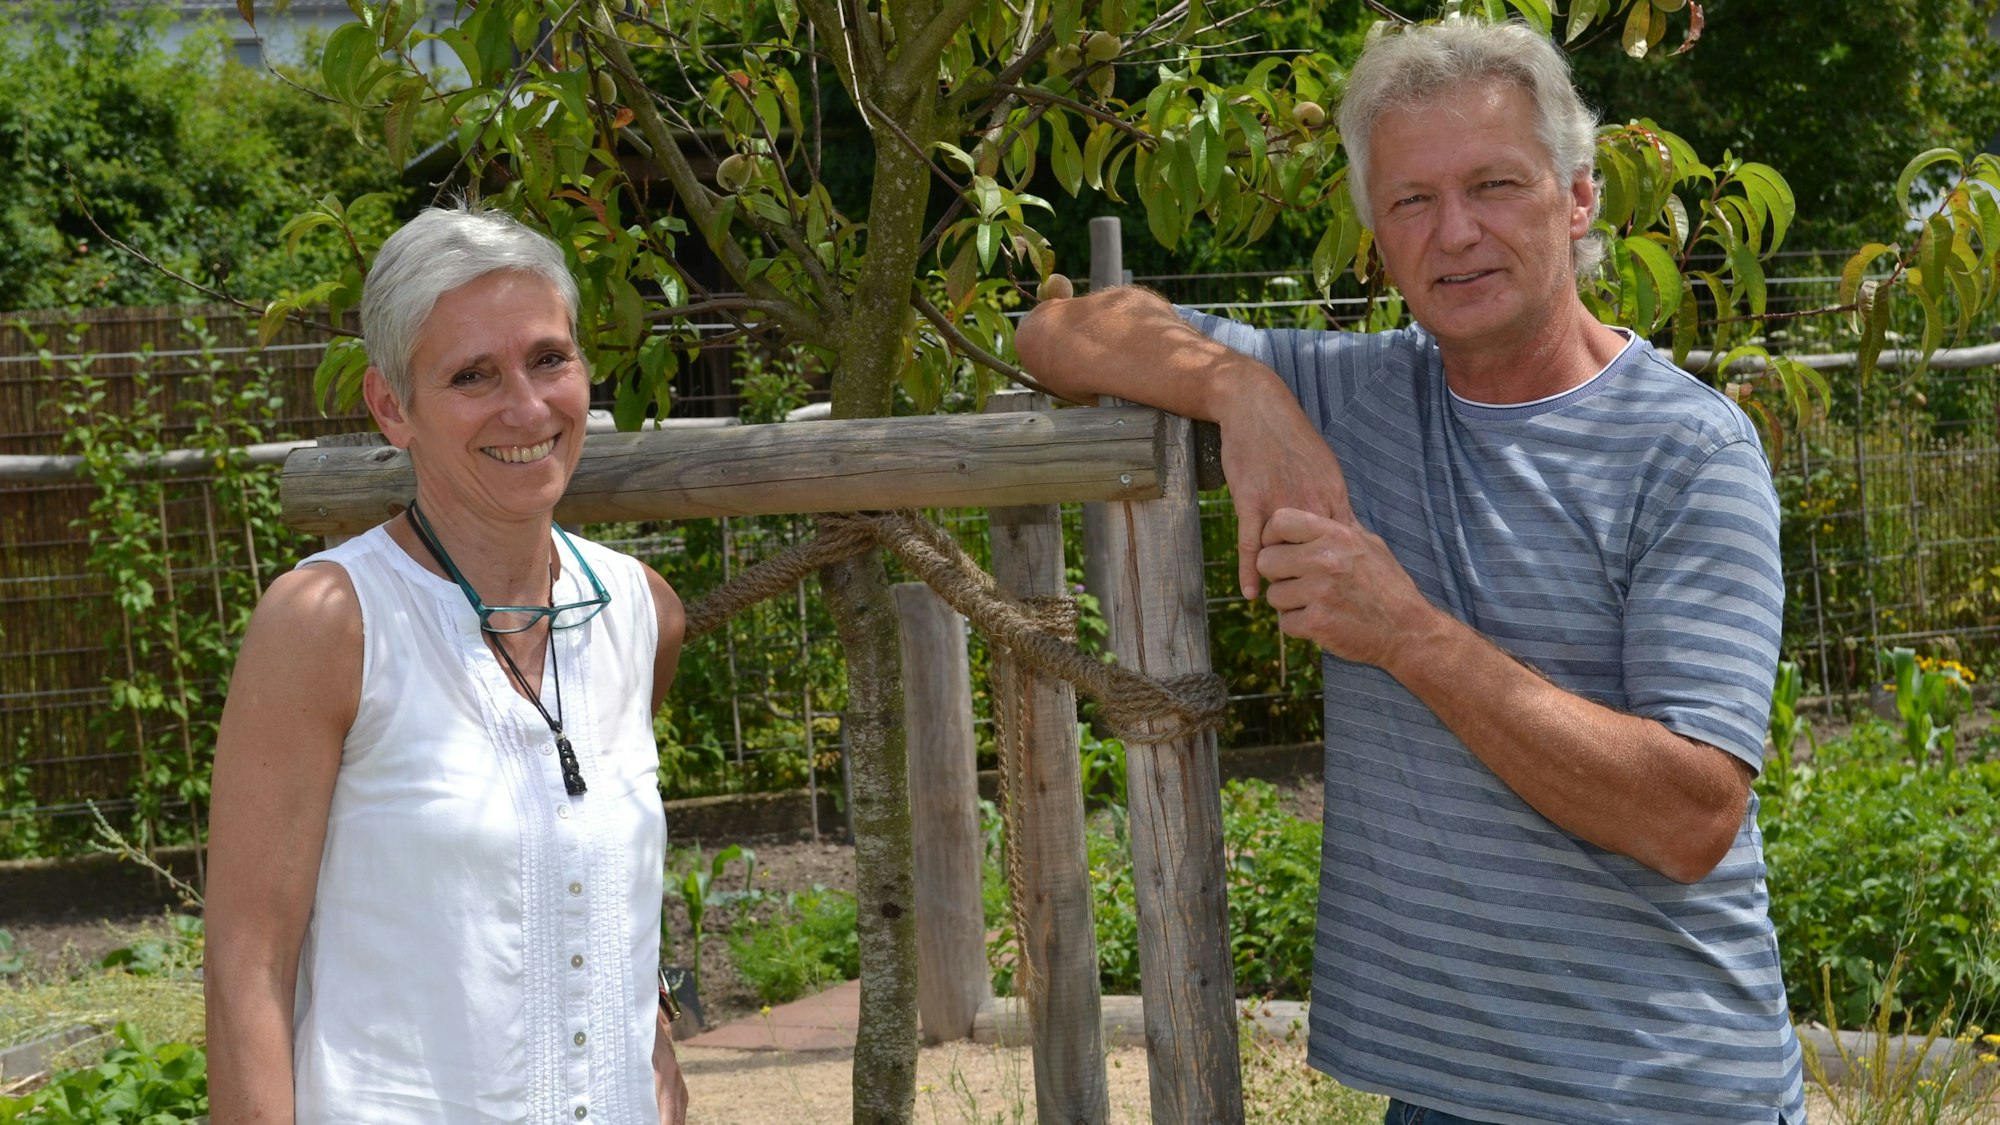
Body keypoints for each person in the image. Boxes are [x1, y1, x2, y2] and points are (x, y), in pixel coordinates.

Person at [1017, 17, 1804, 1125]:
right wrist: (1243, 394)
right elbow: (1060, 326)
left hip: (1657, 1094)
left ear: (1576, 198)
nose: (1455, 233)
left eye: (1492, 185)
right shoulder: (1349, 395)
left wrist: (1403, 632)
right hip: (1435, 1095)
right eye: (1411, 201)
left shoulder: (1688, 452)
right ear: (1374, 233)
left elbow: (1687, 820)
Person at [204, 206, 690, 1124]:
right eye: (473, 374)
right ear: (393, 408)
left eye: (549, 357)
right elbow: (246, 968)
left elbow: (597, 869)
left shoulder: (637, 611)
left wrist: (658, 1027)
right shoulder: (328, 624)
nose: (527, 406)